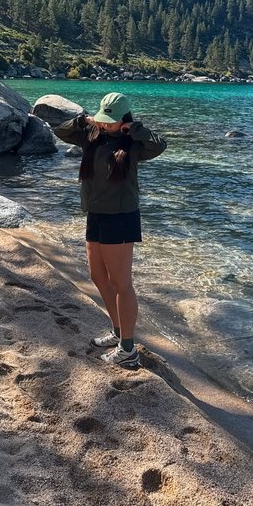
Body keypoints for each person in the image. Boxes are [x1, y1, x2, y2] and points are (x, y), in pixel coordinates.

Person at [53, 92, 167, 369]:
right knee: (98, 276)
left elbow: (160, 145)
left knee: (121, 284)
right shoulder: (92, 134)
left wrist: (135, 129)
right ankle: (118, 332)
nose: (106, 125)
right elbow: (60, 132)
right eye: (104, 119)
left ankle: (128, 349)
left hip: (121, 217)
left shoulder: (134, 143)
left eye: (112, 121)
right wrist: (84, 120)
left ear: (124, 119)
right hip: (96, 214)